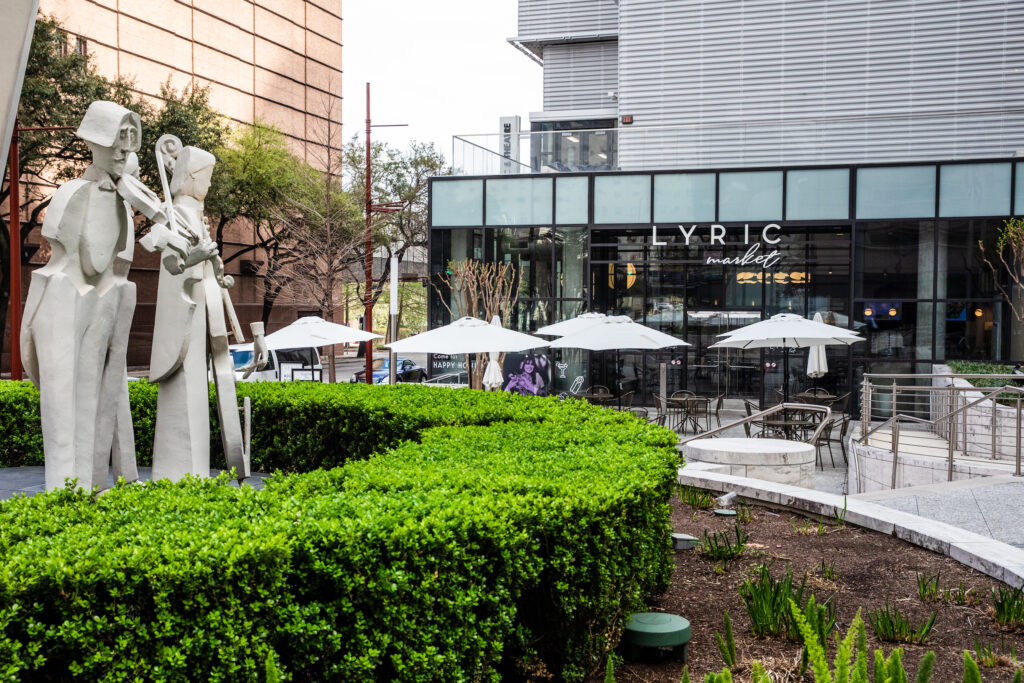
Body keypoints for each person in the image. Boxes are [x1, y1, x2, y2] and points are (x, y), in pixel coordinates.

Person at [21, 101, 143, 491]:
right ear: (97, 140)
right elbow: (64, 253)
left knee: (99, 404)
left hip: (102, 300)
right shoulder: (72, 193)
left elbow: (115, 265)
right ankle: (65, 499)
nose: (125, 148)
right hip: (63, 298)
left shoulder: (124, 201)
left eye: (131, 138)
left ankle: (92, 491)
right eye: (118, 138)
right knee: (64, 414)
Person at [145, 137, 255, 482]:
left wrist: (217, 277)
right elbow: (173, 265)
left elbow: (204, 267)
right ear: (192, 178)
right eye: (206, 178)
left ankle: (198, 474)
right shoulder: (174, 213)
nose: (208, 185)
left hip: (205, 309)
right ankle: (180, 475)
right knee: (185, 393)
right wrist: (199, 258)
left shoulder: (194, 214)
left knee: (199, 395)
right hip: (187, 314)